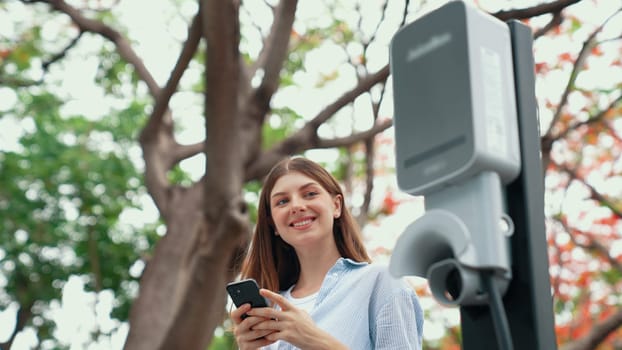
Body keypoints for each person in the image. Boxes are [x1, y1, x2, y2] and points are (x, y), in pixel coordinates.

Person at [230, 156, 423, 349]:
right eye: (282, 201)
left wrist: (314, 340)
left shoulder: (380, 283)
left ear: (336, 206)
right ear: (274, 225)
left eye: (310, 194)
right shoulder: (269, 314)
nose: (296, 206)